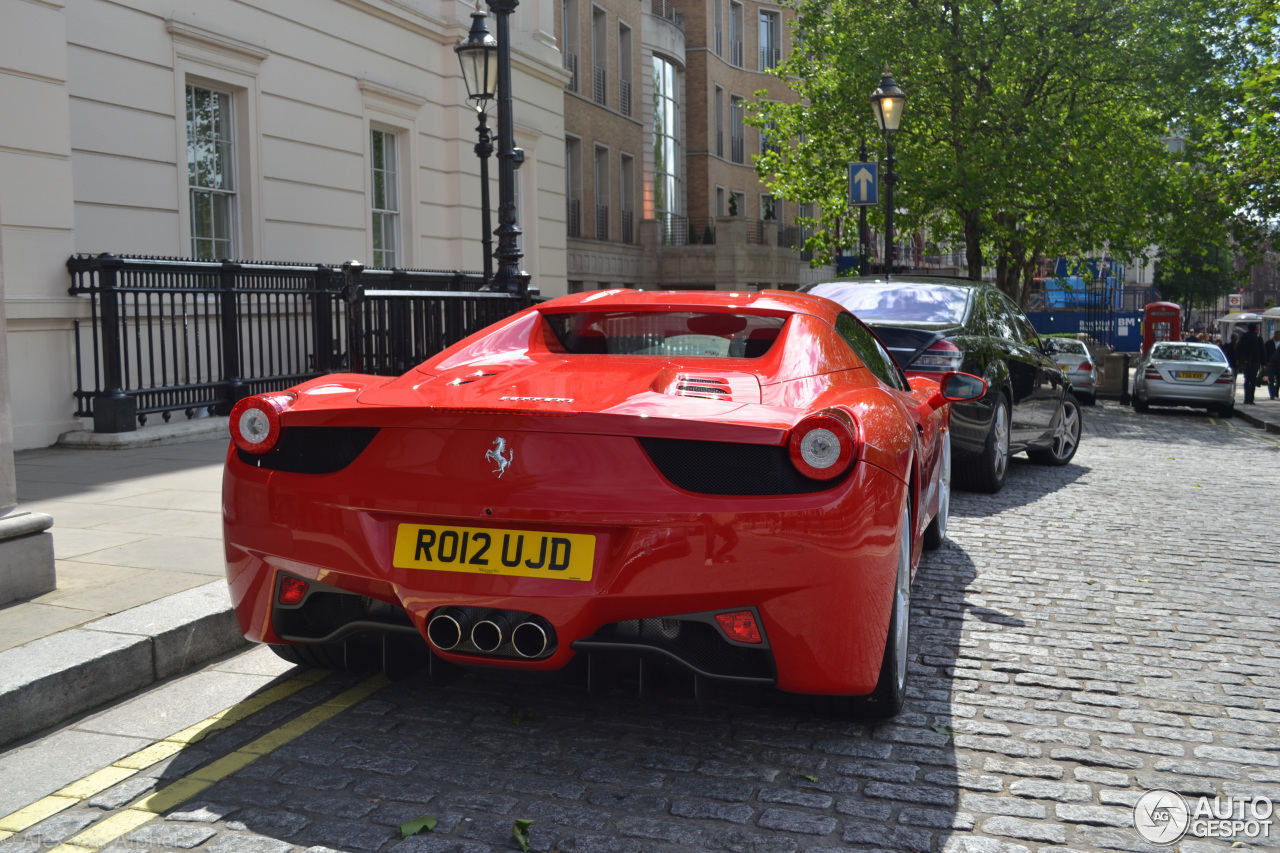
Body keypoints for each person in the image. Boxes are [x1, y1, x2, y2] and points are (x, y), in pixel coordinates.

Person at [1236, 323, 1264, 405]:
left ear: (1248, 328)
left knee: (1247, 380)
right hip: (1256, 362)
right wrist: (1263, 363)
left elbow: (1238, 348)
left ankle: (1246, 398)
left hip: (1246, 361)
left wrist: (1237, 359)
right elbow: (1262, 351)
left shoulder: (1244, 337)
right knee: (1253, 381)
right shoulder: (1258, 338)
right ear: (1255, 329)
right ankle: (1251, 399)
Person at [1265, 330, 1280, 401]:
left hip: (1279, 364)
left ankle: (1275, 392)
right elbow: (1265, 353)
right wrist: (1264, 364)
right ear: (1275, 335)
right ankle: (1272, 395)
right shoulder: (1269, 343)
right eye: (1278, 335)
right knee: (1270, 380)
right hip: (1270, 364)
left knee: (1279, 380)